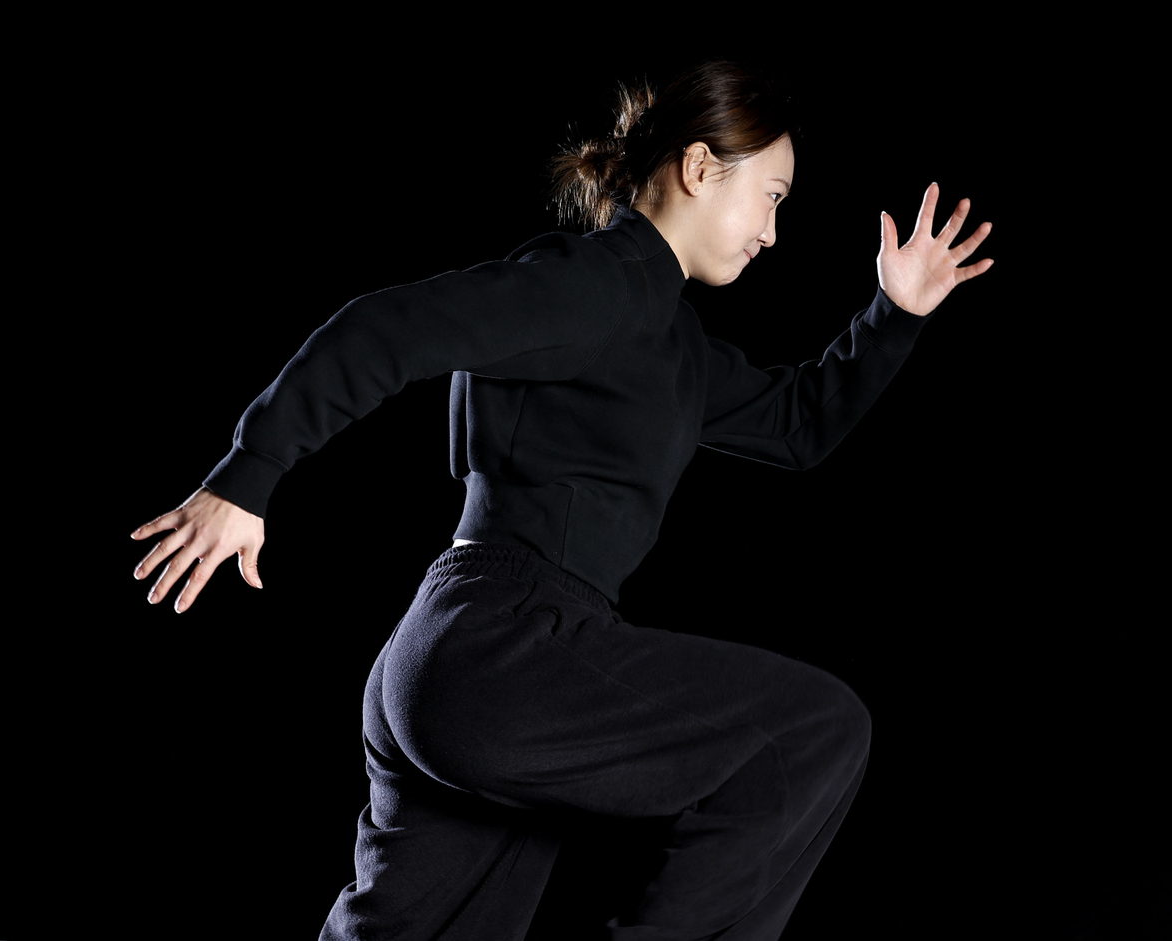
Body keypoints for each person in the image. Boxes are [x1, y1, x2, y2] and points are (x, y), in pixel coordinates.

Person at [131, 61, 992, 940]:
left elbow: (800, 425)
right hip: (507, 642)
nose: (773, 233)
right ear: (700, 170)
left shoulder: (670, 340)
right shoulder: (593, 285)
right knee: (808, 734)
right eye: (771, 197)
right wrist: (250, 473)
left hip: (457, 666)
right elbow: (386, 326)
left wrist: (894, 312)